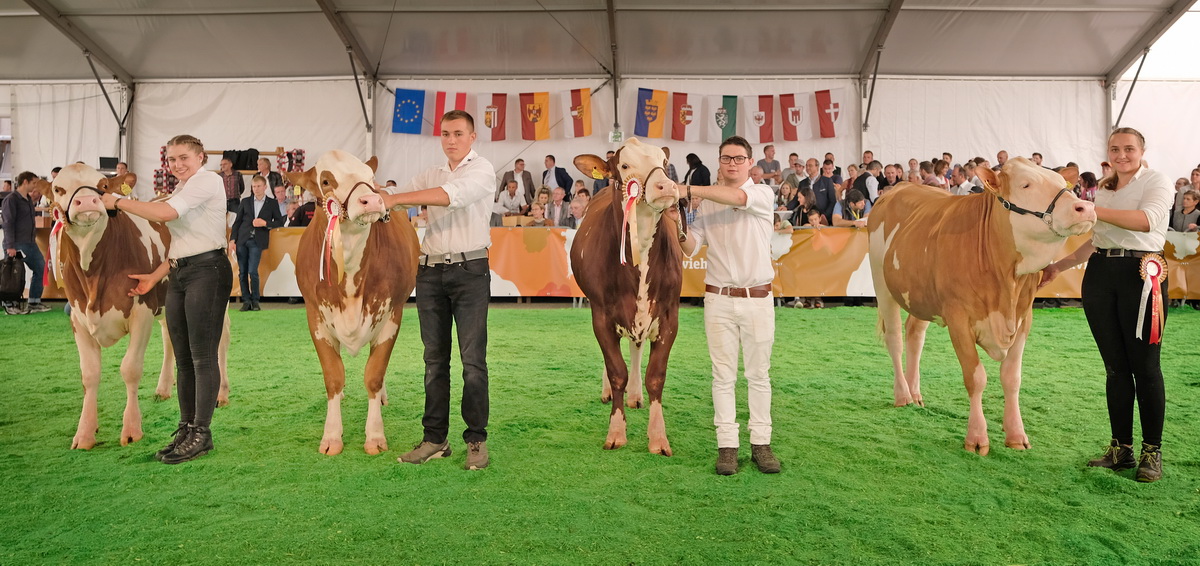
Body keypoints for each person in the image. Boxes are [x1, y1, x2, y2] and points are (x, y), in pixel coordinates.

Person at [1038, 127, 1173, 483]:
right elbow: (1096, 240)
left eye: (1129, 148)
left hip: (1143, 275)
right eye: (1115, 149)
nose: (1122, 155)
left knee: (1145, 367)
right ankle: (1121, 449)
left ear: (1142, 150)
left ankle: (1152, 452)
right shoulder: (1104, 185)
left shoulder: (1157, 181)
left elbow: (1146, 220)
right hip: (1100, 275)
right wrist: (1058, 266)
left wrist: (1092, 209)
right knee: (1115, 367)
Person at [100, 134, 232, 464]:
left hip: (208, 272)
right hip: (180, 272)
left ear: (201, 157)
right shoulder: (183, 189)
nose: (177, 164)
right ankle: (187, 429)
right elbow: (180, 242)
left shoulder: (208, 181)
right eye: (172, 159)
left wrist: (117, 201)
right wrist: (155, 277)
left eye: (184, 157)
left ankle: (202, 433)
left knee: (202, 356)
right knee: (183, 357)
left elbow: (166, 214)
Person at [381, 110, 495, 471]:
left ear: (472, 137)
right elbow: (397, 193)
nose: (451, 140)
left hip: (470, 271)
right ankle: (435, 439)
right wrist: (374, 192)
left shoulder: (482, 170)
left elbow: (451, 196)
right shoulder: (430, 174)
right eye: (445, 133)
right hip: (429, 271)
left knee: (473, 362)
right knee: (434, 361)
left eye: (458, 133)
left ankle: (476, 439)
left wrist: (394, 200)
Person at [673, 135, 780, 476]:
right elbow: (690, 247)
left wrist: (688, 190)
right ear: (719, 162)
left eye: (738, 158)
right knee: (723, 376)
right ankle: (727, 446)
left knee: (758, 374)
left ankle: (761, 443)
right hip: (718, 297)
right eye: (726, 158)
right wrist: (672, 216)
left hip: (758, 297)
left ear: (751, 163)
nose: (732, 163)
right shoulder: (707, 204)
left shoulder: (762, 194)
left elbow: (737, 196)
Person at [229, 175, 285, 311]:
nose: (256, 189)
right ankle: (246, 300)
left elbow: (280, 222)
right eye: (254, 186)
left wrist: (265, 223)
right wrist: (232, 240)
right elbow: (237, 222)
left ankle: (255, 300)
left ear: (265, 187)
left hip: (257, 241)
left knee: (253, 271)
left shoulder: (272, 203)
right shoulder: (245, 201)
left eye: (259, 186)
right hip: (242, 239)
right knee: (242, 272)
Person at [2, 171, 50, 314]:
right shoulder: (11, 200)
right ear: (25, 182)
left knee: (41, 269)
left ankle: (34, 302)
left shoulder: (28, 199)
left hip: (30, 243)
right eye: (34, 183)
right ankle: (9, 304)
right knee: (12, 275)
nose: (35, 186)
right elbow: (8, 223)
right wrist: (10, 245)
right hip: (16, 244)